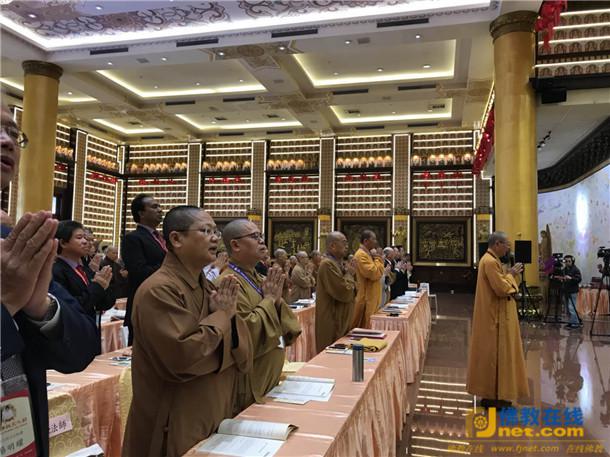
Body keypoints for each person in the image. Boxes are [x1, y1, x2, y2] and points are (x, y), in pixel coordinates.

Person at [1, 103, 98, 457]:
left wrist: (39, 307)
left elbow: (81, 351)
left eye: (13, 133)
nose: (6, 141)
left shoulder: (13, 242)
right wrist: (6, 304)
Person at [123, 206, 252, 456]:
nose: (215, 238)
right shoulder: (159, 290)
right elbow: (183, 357)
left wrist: (227, 317)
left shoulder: (209, 289)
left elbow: (243, 355)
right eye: (206, 231)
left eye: (216, 232)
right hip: (173, 421)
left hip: (212, 412)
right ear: (176, 239)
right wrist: (223, 316)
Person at [217, 220, 301, 411]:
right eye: (255, 237)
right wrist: (270, 299)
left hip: (269, 376)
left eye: (261, 236)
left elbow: (291, 326)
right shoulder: (228, 283)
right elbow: (245, 333)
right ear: (235, 245)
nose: (262, 241)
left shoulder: (260, 278)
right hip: (250, 382)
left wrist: (277, 301)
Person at [466, 231, 529, 408]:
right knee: (494, 356)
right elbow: (501, 289)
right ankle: (493, 395)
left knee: (498, 355)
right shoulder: (490, 262)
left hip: (496, 315)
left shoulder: (491, 260)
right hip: (493, 318)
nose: (508, 248)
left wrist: (508, 274)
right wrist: (512, 274)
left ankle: (498, 393)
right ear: (497, 244)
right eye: (507, 244)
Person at [53, 220, 115, 335]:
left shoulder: (85, 270)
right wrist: (98, 286)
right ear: (63, 243)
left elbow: (103, 304)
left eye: (85, 238)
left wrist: (105, 286)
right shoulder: (56, 271)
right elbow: (70, 308)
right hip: (70, 334)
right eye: (79, 237)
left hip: (89, 332)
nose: (86, 242)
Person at [122, 193, 166, 344]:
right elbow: (139, 272)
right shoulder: (133, 238)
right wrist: (169, 265)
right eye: (154, 207)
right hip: (144, 304)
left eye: (159, 206)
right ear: (141, 213)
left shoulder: (162, 237)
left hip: (164, 302)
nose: (160, 210)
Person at [315, 231, 356, 352]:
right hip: (332, 318)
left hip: (341, 317)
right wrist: (350, 274)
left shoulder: (338, 263)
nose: (347, 246)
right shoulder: (327, 264)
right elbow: (344, 292)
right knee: (331, 352)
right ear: (332, 246)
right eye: (344, 243)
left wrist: (349, 275)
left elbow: (354, 289)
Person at [351, 230, 385, 328]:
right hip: (366, 298)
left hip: (371, 297)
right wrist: (378, 258)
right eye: (373, 239)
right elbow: (374, 273)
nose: (376, 241)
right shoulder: (361, 255)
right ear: (366, 241)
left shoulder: (367, 254)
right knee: (365, 327)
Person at [559, 255, 582, 329]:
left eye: (569, 261)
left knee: (572, 307)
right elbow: (563, 278)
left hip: (573, 291)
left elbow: (579, 279)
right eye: (566, 261)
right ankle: (572, 321)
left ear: (572, 261)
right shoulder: (564, 270)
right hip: (566, 290)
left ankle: (575, 324)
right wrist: (561, 279)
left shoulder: (575, 269)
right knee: (568, 308)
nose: (567, 262)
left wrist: (571, 278)